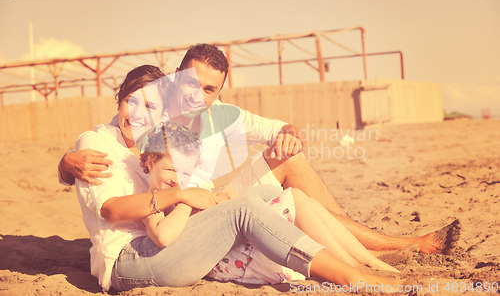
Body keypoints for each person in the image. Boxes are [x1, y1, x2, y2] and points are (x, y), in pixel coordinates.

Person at [60, 43, 461, 255]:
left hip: (218, 201)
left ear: (219, 92)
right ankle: (402, 246)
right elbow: (113, 149)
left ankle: (381, 243)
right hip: (193, 217)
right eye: (190, 82)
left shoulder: (224, 116)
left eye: (210, 89)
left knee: (292, 158)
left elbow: (279, 129)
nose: (197, 95)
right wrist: (65, 164)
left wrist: (289, 132)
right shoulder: (153, 112)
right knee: (283, 193)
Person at [74, 65, 405, 292]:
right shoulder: (96, 142)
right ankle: (354, 278)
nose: (136, 114)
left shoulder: (158, 138)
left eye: (149, 106)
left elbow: (256, 127)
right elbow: (111, 210)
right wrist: (183, 197)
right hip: (129, 261)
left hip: (172, 240)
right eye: (131, 102)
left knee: (273, 198)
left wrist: (202, 198)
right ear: (119, 99)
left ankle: (362, 261)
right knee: (244, 209)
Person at [139, 121, 399, 285]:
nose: (178, 180)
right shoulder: (151, 201)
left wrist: (220, 198)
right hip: (224, 261)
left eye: (185, 173)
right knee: (290, 204)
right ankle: (353, 267)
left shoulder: (186, 187)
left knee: (296, 197)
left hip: (232, 244)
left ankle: (366, 260)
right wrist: (186, 200)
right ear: (151, 163)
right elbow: (164, 235)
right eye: (171, 170)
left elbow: (218, 214)